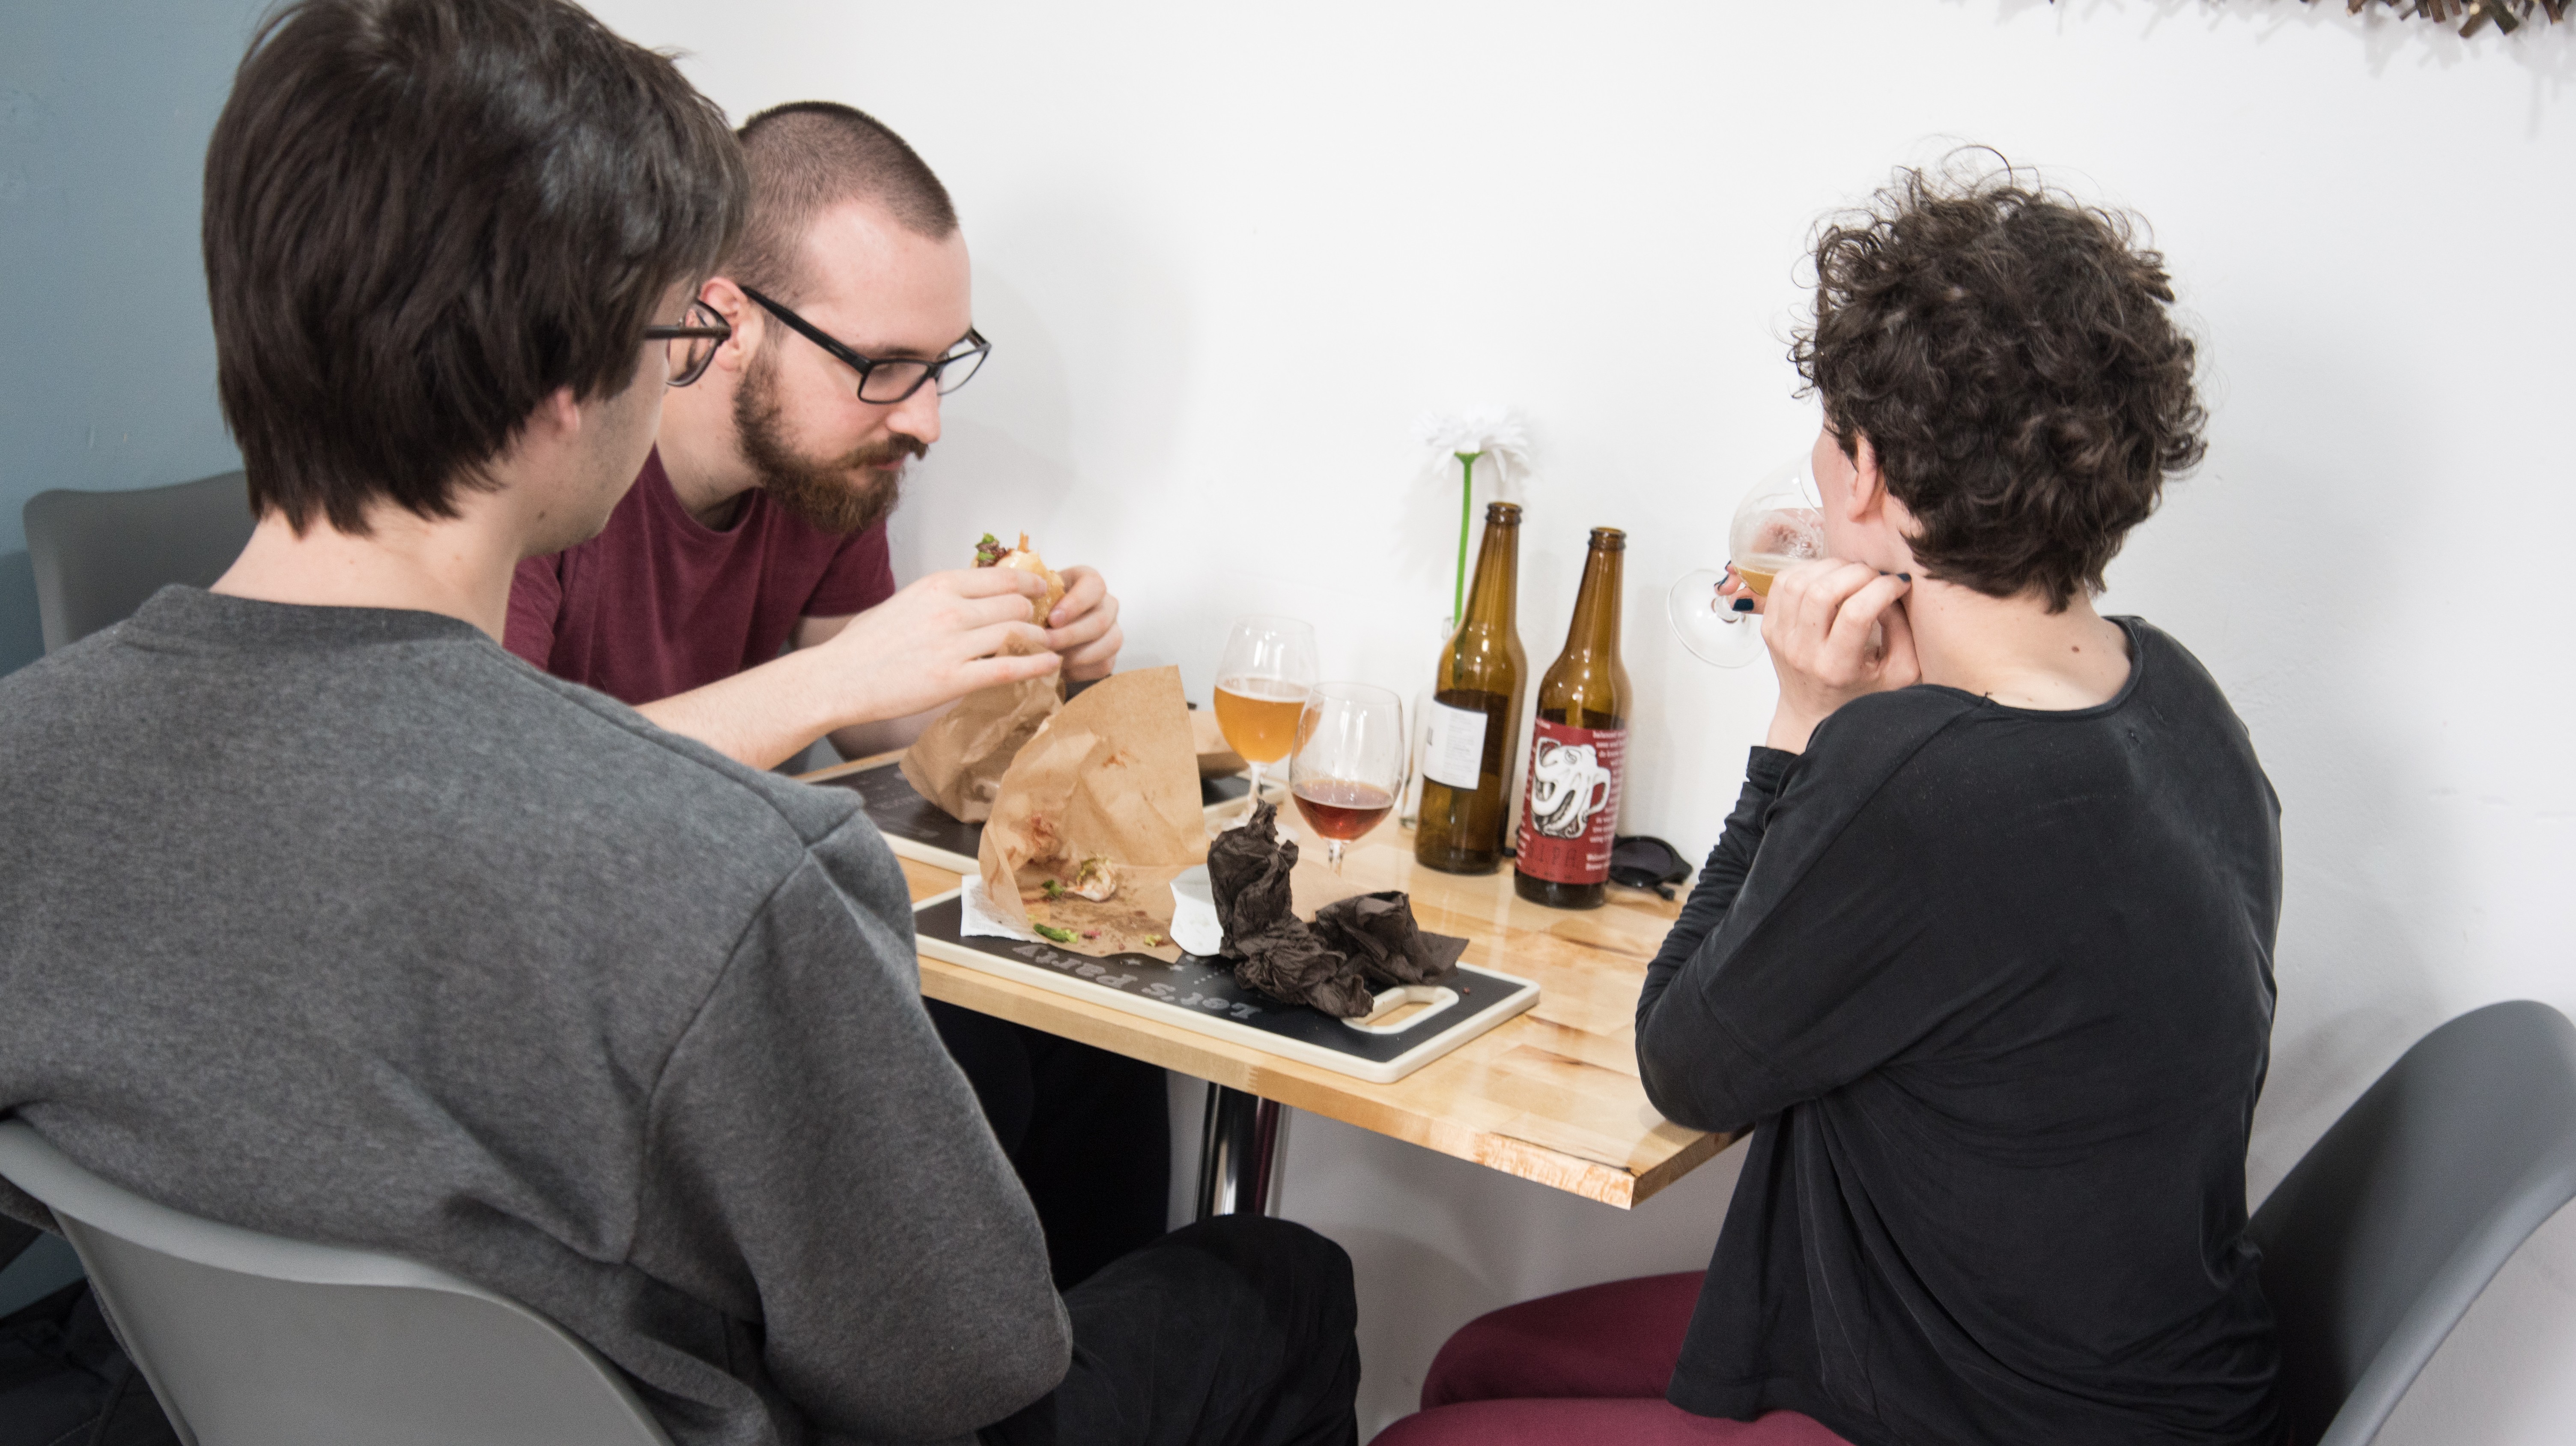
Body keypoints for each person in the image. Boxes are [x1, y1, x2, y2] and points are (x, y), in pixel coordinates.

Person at [0, 5, 1358, 1446]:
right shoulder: (737, 876)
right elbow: (970, 1362)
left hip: (193, 1407)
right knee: (1278, 1284)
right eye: (670, 335)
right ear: (567, 383)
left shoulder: (28, 759)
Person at [1391, 165, 2285, 1446]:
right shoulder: (2174, 693)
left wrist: (1804, 722)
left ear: (1864, 474)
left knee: (1425, 1430)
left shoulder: (1926, 773)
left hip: (1985, 1416)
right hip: (2165, 1388)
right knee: (1479, 1365)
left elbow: (1683, 1065)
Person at [507, 99, 1166, 1291]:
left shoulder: (819, 469)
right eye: (883, 370)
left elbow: (872, 720)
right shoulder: (551, 462)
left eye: (941, 366)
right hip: (586, 980)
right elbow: (504, 775)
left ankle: (1075, 1353)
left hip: (732, 919)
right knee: (962, 1054)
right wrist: (840, 673)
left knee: (1093, 1024)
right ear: (725, 322)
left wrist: (1027, 658)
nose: (924, 420)